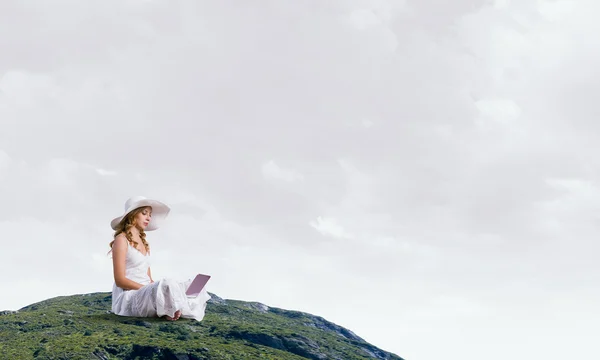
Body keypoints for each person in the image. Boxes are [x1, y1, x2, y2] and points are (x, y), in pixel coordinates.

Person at [107, 196, 211, 321]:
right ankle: (174, 306)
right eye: (144, 213)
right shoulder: (121, 240)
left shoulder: (144, 244)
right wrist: (153, 289)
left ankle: (176, 305)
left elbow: (149, 279)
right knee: (167, 283)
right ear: (132, 215)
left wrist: (157, 289)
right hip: (129, 296)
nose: (148, 218)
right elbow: (120, 281)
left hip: (146, 291)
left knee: (191, 284)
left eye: (150, 215)